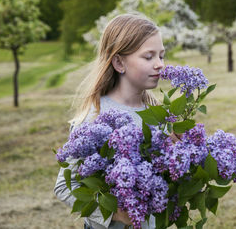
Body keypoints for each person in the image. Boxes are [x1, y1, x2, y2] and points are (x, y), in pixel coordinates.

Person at [54, 13, 166, 229]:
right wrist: (115, 214)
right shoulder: (96, 116)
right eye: (148, 57)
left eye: (162, 55)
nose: (160, 64)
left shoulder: (158, 113)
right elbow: (64, 187)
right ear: (118, 62)